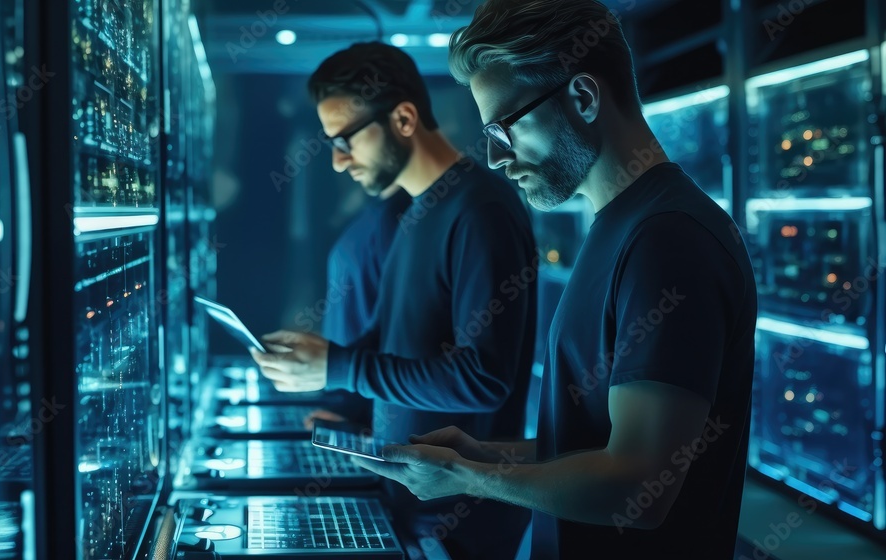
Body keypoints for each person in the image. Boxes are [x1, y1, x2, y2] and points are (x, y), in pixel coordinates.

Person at [349, 2, 759, 560]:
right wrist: (483, 456)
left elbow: (637, 486)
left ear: (585, 98)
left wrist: (469, 480)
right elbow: (593, 447)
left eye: (503, 128)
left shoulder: (668, 239)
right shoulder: (619, 228)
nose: (496, 158)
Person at [250, 41, 537, 560]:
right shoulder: (415, 213)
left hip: (455, 525)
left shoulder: (480, 209)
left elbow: (485, 379)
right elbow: (399, 344)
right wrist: (344, 401)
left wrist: (340, 366)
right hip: (409, 505)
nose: (338, 163)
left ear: (403, 118)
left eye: (346, 141)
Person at [305, 181, 411, 429]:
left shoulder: (398, 217)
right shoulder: (375, 210)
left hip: (368, 407)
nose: (340, 163)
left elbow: (396, 333)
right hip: (350, 399)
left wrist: (360, 417)